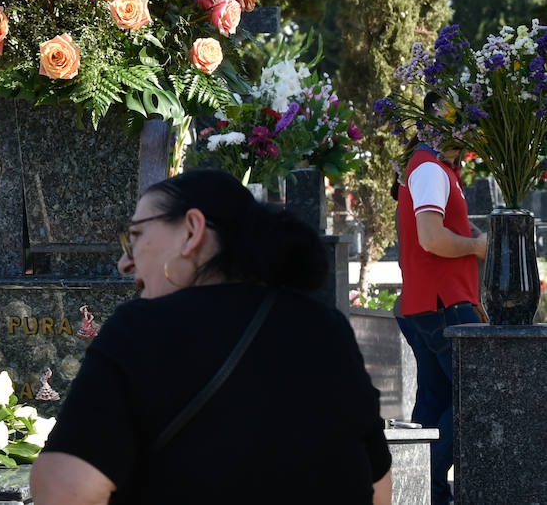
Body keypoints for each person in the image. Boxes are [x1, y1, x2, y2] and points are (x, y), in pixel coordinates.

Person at [31, 169, 391, 505]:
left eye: (136, 235)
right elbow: (379, 485)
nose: (126, 263)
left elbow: (66, 488)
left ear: (192, 230)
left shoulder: (142, 329)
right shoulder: (328, 329)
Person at [395, 92, 486, 505]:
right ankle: (427, 484)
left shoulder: (433, 167)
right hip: (441, 305)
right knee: (477, 397)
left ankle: (416, 491)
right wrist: (478, 247)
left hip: (431, 304)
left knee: (434, 403)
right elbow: (432, 239)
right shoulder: (429, 169)